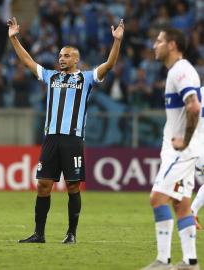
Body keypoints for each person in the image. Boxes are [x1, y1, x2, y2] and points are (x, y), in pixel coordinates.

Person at [7, 17, 124, 244]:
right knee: (43, 185)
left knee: (72, 185)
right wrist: (14, 39)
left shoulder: (87, 77)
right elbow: (28, 62)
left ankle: (71, 233)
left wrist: (117, 41)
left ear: (77, 59)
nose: (61, 58)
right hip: (51, 138)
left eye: (67, 55)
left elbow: (109, 64)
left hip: (72, 139)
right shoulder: (51, 77)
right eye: (60, 55)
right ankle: (39, 234)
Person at [142, 28, 203, 270]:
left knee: (157, 199)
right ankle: (190, 262)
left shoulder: (181, 71)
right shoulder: (177, 71)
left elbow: (194, 107)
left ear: (173, 44)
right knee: (181, 205)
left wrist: (185, 140)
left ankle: (163, 261)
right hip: (182, 151)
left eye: (159, 41)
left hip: (182, 152)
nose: (154, 45)